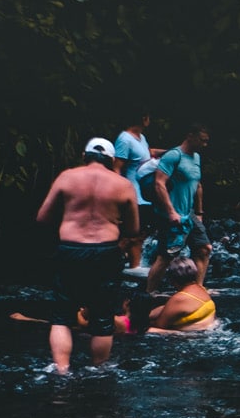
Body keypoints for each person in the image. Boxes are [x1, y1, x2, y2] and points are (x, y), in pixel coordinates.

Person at [36, 137, 139, 371]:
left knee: (62, 316)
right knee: (102, 317)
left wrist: (68, 218)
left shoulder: (67, 177)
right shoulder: (123, 185)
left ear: (84, 156)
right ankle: (98, 370)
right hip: (105, 252)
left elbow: (42, 217)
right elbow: (134, 229)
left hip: (70, 249)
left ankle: (62, 371)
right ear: (112, 160)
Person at [147, 125, 212, 290]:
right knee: (166, 257)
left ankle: (197, 289)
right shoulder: (174, 156)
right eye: (202, 140)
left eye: (206, 141)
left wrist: (199, 212)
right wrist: (171, 212)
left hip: (189, 213)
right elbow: (159, 183)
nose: (205, 145)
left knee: (204, 248)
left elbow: (197, 185)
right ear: (190, 136)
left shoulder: (196, 157)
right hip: (171, 214)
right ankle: (149, 293)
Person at [113, 114, 154, 268]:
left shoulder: (141, 138)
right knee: (129, 236)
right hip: (132, 193)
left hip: (144, 195)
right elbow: (117, 168)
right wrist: (119, 196)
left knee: (140, 235)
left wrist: (172, 152)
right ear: (143, 118)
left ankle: (134, 268)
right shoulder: (124, 139)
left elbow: (148, 154)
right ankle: (105, 262)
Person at [145, 258, 218, 332]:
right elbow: (168, 308)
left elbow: (160, 325)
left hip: (191, 334)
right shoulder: (201, 289)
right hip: (210, 328)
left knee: (149, 330)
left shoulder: (179, 298)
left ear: (172, 279)